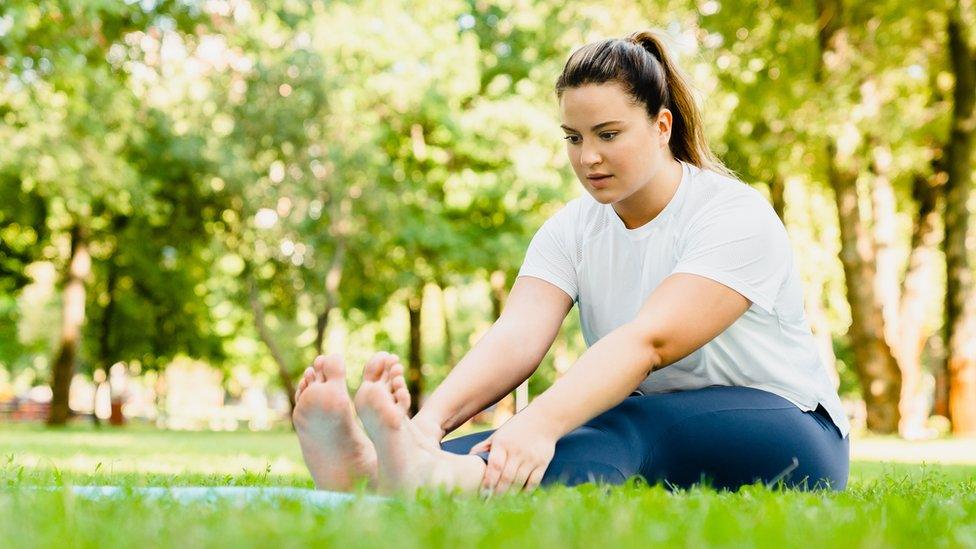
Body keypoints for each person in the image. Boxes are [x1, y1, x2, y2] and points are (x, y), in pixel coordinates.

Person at [292, 30, 850, 496]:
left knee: (605, 422)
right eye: (574, 137)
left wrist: (539, 421)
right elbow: (517, 337)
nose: (588, 157)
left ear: (662, 127)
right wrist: (426, 426)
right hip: (661, 420)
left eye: (608, 135)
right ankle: (376, 472)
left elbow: (647, 343)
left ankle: (440, 479)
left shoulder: (732, 214)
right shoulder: (572, 228)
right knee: (527, 438)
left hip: (792, 430)